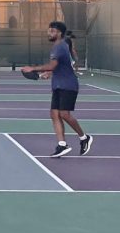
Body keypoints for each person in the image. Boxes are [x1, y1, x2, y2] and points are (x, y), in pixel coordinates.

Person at [21, 21, 93, 158]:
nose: (49, 33)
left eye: (52, 31)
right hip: (58, 85)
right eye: (49, 31)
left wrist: (33, 68)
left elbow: (53, 65)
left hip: (68, 85)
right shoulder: (58, 46)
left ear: (59, 33)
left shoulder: (59, 46)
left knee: (64, 114)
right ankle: (62, 144)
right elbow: (59, 66)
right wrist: (48, 73)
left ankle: (84, 138)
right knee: (54, 114)